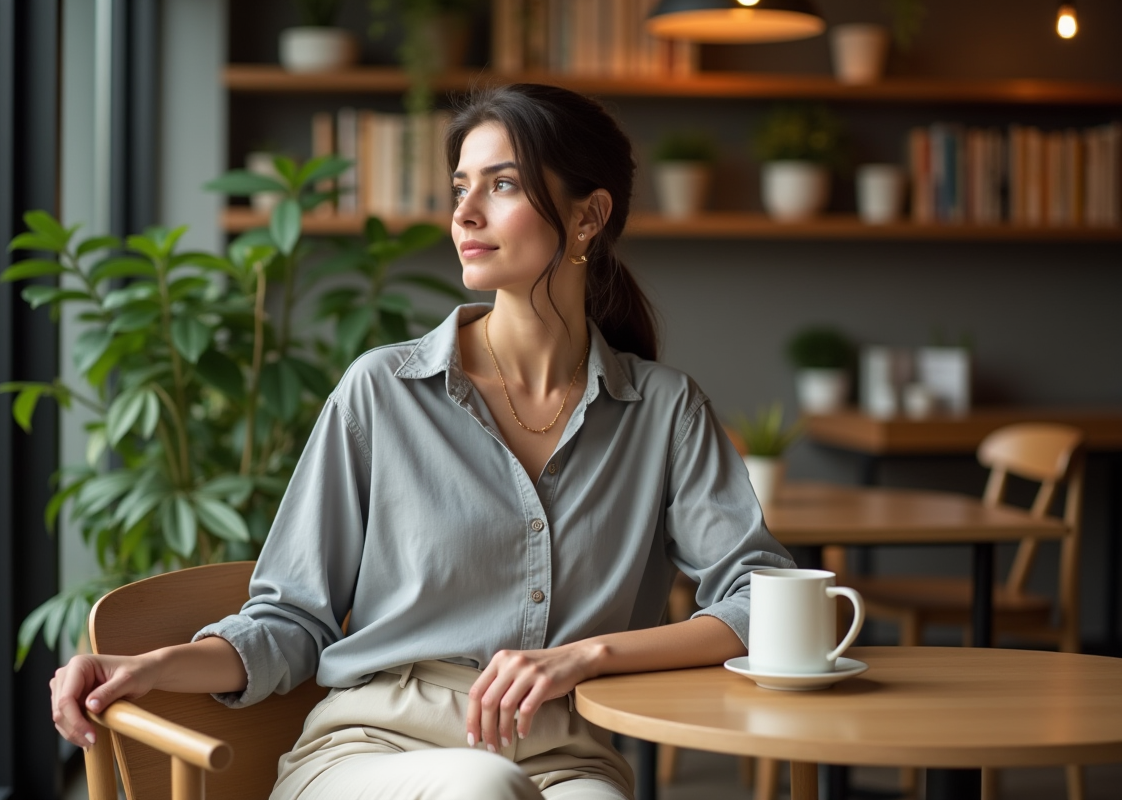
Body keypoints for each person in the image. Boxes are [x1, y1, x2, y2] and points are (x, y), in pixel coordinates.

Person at [50, 83, 793, 800]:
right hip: (373, 751)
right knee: (483, 786)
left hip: (564, 760)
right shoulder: (381, 391)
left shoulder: (664, 411)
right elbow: (291, 619)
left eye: (501, 185)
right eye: (459, 187)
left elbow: (763, 602)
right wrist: (151, 665)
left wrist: (588, 656)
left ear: (589, 215)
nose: (465, 213)